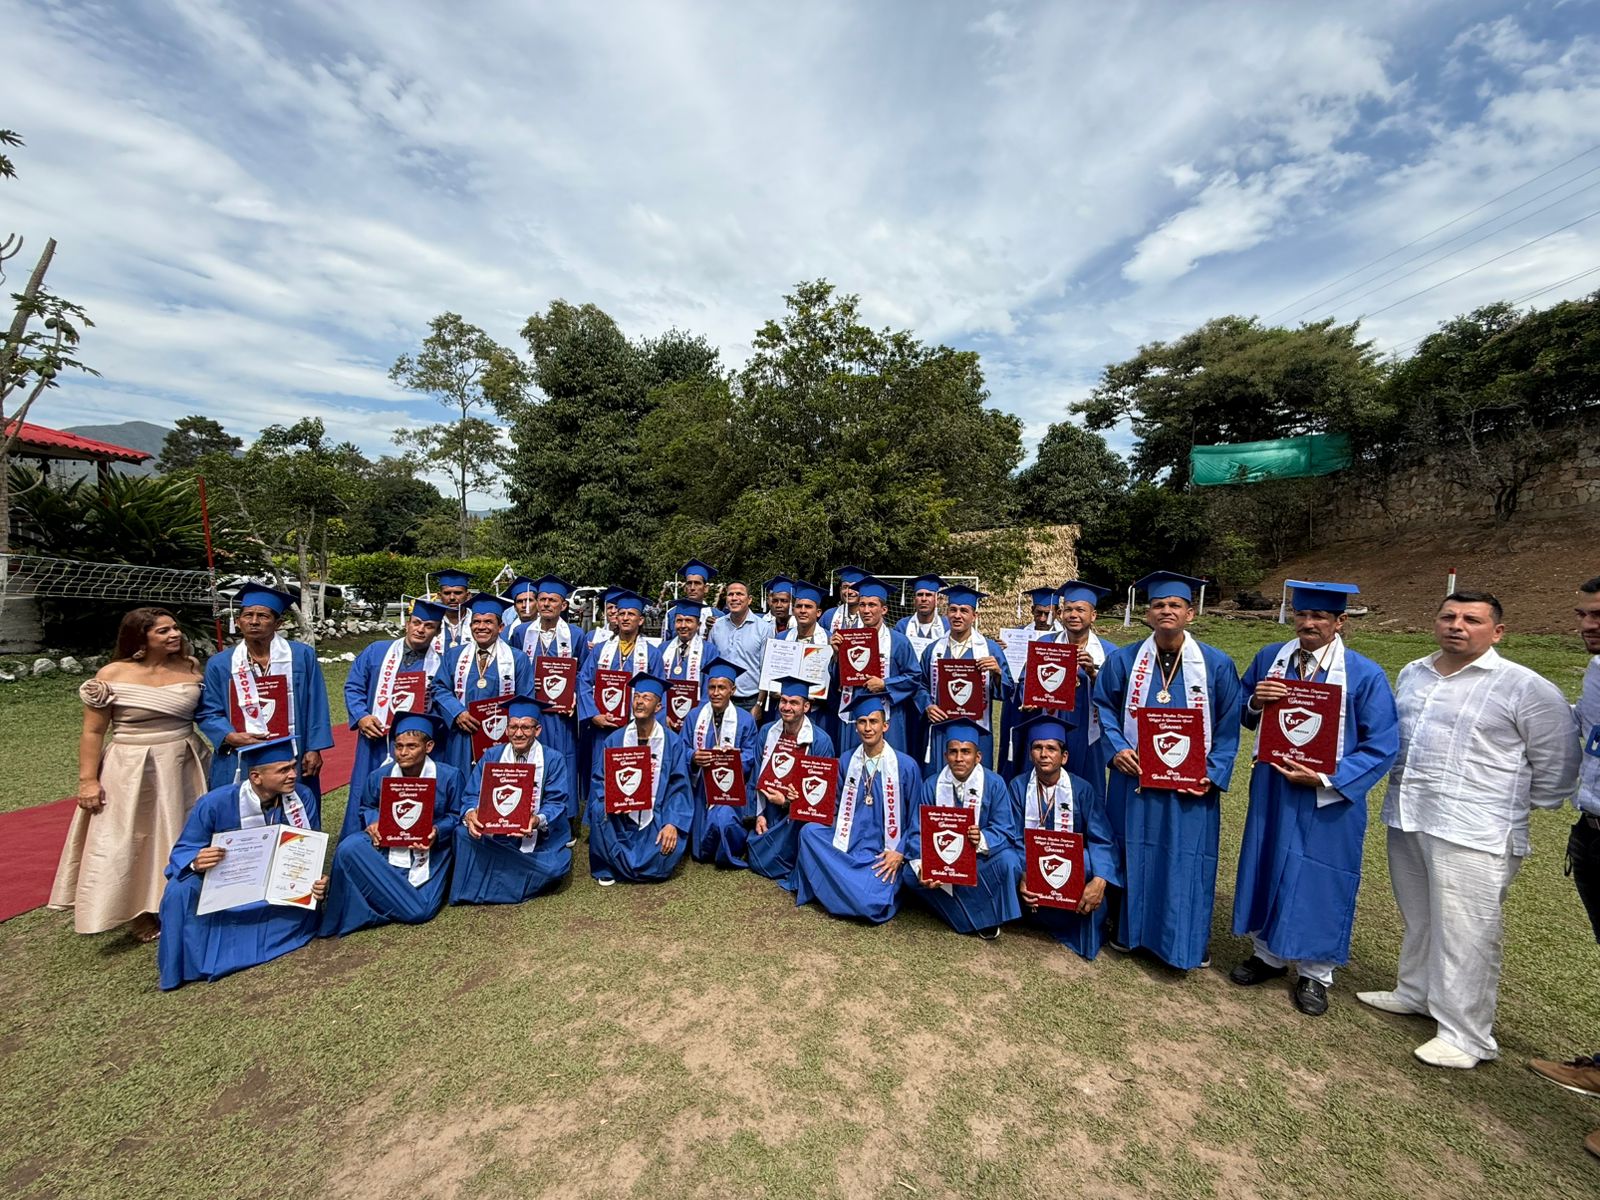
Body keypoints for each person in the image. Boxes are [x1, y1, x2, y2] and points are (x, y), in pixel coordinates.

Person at [1359, 591, 1580, 1068]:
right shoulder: (1414, 673)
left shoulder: (1524, 686)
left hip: (1476, 828)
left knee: (1467, 931)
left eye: (1472, 620)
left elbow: (1559, 761)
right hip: (1411, 813)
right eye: (1449, 616)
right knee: (1420, 916)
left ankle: (1466, 1035)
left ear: (1497, 632)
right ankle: (1415, 991)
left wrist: (1519, 802)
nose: (1457, 625)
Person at [1230, 581, 1400, 1016]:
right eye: (1302, 614)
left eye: (1320, 616)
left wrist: (1327, 777)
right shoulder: (1271, 658)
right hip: (1274, 785)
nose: (1308, 623)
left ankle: (1315, 972)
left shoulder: (1363, 674)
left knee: (1322, 877)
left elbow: (1382, 744)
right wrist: (1255, 700)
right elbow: (1241, 709)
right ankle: (1267, 955)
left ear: (1339, 622)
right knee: (1267, 862)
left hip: (1328, 796)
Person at [1093, 571, 1242, 971]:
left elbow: (1228, 724)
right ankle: (1131, 932)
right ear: (1148, 614)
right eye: (1158, 605)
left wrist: (1213, 772)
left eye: (1175, 605)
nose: (1166, 611)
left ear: (1190, 613)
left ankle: (1184, 942)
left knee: (1185, 859)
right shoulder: (1123, 661)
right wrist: (1117, 749)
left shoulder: (1216, 664)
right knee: (1134, 852)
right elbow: (1103, 707)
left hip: (1190, 788)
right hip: (1136, 779)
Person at [49, 607, 211, 942]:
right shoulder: (113, 674)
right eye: (163, 631)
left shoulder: (190, 666)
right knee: (131, 835)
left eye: (175, 628)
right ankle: (138, 910)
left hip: (184, 758)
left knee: (186, 827)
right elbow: (93, 731)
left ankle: (188, 898)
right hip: (131, 765)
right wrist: (88, 781)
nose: (174, 634)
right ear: (141, 638)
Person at [157, 737, 325, 990]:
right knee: (179, 890)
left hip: (278, 886)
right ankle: (183, 963)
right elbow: (184, 849)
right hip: (227, 884)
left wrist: (316, 877)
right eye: (283, 770)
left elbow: (309, 848)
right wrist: (196, 861)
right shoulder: (214, 803)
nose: (293, 774)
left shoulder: (302, 797)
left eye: (292, 766)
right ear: (256, 777)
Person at [1529, 575, 1600, 1157]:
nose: (1587, 625)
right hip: (1593, 830)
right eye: (1583, 614)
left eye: (1598, 615)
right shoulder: (1597, 672)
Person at [319, 713, 467, 936]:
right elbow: (367, 806)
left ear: (428, 747)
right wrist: (373, 821)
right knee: (349, 848)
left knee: (421, 910)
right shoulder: (379, 775)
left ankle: (374, 905)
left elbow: (457, 814)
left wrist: (437, 831)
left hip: (429, 849)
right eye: (398, 746)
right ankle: (387, 898)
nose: (403, 753)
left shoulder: (449, 776)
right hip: (387, 845)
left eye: (411, 746)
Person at [196, 582, 334, 799]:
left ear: (278, 623)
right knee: (239, 806)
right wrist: (229, 736)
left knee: (293, 804)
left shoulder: (301, 656)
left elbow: (316, 704)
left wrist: (314, 748)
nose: (254, 621)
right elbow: (209, 710)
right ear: (238, 621)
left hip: (292, 750)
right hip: (240, 753)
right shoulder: (220, 663)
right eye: (247, 615)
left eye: (262, 616)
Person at [792, 694, 918, 924]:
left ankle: (839, 887)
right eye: (862, 722)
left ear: (885, 726)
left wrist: (900, 852)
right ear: (855, 726)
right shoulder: (846, 760)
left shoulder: (906, 766)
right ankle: (849, 885)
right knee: (809, 832)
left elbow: (915, 820)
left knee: (869, 903)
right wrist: (801, 800)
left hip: (882, 853)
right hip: (849, 843)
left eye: (873, 721)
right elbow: (833, 808)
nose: (868, 728)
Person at [1009, 713, 1119, 960]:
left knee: (1088, 861)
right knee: (1007, 861)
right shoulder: (1018, 787)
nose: (1044, 754)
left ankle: (1073, 921)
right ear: (1030, 754)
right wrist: (1024, 874)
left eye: (1051, 748)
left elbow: (1102, 838)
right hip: (1031, 872)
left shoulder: (1082, 790)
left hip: (1067, 872)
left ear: (1064, 756)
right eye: (1037, 747)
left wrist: (1100, 880)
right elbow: (1013, 837)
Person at [900, 718, 1021, 940]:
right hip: (942, 863)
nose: (959, 758)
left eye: (966, 752)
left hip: (978, 860)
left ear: (978, 756)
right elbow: (917, 832)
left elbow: (1005, 830)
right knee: (909, 874)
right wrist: (924, 868)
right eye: (953, 752)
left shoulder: (995, 784)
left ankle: (955, 910)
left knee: (1009, 861)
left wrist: (981, 838)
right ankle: (984, 915)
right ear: (945, 755)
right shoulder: (932, 784)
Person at [339, 599, 447, 841]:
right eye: (416, 623)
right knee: (364, 789)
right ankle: (358, 842)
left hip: (414, 744)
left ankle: (404, 838)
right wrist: (362, 716)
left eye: (429, 626)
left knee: (408, 795)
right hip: (375, 739)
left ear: (437, 631)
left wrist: (427, 716)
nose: (421, 629)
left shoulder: (441, 664)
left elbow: (443, 704)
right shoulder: (376, 651)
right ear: (407, 624)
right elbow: (354, 686)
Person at [450, 696, 573, 905]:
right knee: (461, 834)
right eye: (513, 727)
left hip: (537, 836)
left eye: (526, 727)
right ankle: (519, 876)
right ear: (506, 729)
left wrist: (536, 820)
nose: (518, 733)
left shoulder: (553, 759)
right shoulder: (492, 756)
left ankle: (491, 876)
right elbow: (471, 794)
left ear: (537, 730)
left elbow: (556, 802)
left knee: (555, 867)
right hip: (496, 834)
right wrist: (471, 813)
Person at [586, 673, 692, 885]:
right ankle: (609, 865)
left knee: (661, 857)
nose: (639, 702)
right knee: (599, 809)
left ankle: (624, 864)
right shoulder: (615, 739)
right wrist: (612, 800)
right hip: (620, 818)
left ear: (658, 707)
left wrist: (672, 823)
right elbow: (600, 780)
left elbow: (679, 788)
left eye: (646, 697)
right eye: (636, 697)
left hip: (657, 814)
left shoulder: (672, 742)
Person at [432, 592, 536, 776]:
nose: (481, 627)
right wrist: (457, 712)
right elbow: (439, 688)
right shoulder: (454, 656)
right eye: (476, 622)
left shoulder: (517, 659)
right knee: (461, 780)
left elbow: (525, 699)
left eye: (488, 622)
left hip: (500, 736)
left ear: (501, 627)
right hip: (462, 735)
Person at [746, 674, 837, 886]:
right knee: (756, 855)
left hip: (797, 816)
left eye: (794, 702)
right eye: (783, 701)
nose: (787, 707)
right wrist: (758, 815)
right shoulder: (767, 732)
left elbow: (822, 797)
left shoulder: (821, 741)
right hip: (768, 809)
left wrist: (787, 802)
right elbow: (756, 774)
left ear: (806, 707)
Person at [515, 575, 587, 837]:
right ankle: (525, 813)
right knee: (531, 760)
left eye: (552, 600)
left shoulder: (576, 635)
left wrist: (575, 697)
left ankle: (564, 820)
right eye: (542, 599)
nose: (546, 604)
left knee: (564, 761)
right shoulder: (521, 633)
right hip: (531, 711)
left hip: (561, 715)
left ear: (563, 605)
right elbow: (515, 667)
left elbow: (583, 673)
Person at [831, 574, 926, 760]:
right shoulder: (848, 639)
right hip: (854, 712)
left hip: (889, 715)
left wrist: (885, 684)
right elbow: (836, 681)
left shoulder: (899, 642)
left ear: (884, 609)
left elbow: (914, 677)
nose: (866, 610)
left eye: (872, 605)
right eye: (862, 605)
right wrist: (836, 656)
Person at [577, 589, 664, 788]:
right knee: (602, 775)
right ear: (616, 618)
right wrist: (594, 715)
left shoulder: (652, 654)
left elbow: (660, 692)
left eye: (631, 614)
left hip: (637, 726)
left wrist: (649, 724)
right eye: (621, 613)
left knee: (631, 775)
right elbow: (584, 681)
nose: (625, 618)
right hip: (603, 726)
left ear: (640, 620)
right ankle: (599, 810)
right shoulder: (600, 650)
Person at [919, 584, 1013, 769]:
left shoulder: (990, 649)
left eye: (964, 611)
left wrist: (997, 674)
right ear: (947, 613)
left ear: (974, 616)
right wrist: (928, 705)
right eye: (953, 610)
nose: (957, 615)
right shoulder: (933, 650)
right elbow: (920, 685)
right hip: (942, 728)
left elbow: (1007, 691)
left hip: (976, 729)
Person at [685, 656, 759, 867]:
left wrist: (733, 758)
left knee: (724, 819)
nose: (715, 693)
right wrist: (693, 756)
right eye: (712, 687)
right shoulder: (694, 716)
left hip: (730, 788)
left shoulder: (745, 720)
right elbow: (681, 748)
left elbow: (752, 754)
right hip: (700, 787)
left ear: (732, 690)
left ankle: (729, 847)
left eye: (722, 688)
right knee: (699, 851)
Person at [998, 586, 1071, 779]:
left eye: (1048, 614)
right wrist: (999, 652)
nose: (1042, 618)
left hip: (1052, 702)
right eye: (1038, 613)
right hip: (1018, 699)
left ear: (1058, 612)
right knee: (1016, 745)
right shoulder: (1017, 635)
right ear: (1031, 611)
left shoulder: (1064, 638)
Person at [772, 578, 838, 746]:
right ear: (793, 609)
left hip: (819, 713)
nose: (802, 611)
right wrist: (775, 689)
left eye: (808, 607)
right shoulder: (781, 639)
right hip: (787, 712)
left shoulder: (830, 640)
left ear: (818, 612)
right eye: (799, 606)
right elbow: (772, 675)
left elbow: (837, 680)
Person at [708, 581, 771, 712]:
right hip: (721, 698)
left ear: (749, 599)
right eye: (730, 594)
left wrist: (759, 704)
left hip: (750, 701)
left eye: (739, 594)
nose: (734, 598)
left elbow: (766, 670)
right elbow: (711, 662)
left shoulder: (764, 628)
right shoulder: (717, 626)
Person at [660, 598, 711, 724]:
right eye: (679, 621)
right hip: (666, 717)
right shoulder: (662, 649)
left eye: (688, 621)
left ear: (698, 625)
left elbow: (708, 689)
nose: (683, 625)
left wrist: (695, 716)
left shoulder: (710, 651)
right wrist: (664, 714)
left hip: (697, 718)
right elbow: (658, 684)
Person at [896, 574, 950, 645]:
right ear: (914, 600)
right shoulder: (902, 626)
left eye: (928, 595)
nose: (924, 599)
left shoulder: (947, 626)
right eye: (920, 595)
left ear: (936, 600)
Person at [430, 568, 474, 654]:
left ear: (468, 595)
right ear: (439, 596)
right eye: (447, 593)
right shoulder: (431, 621)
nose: (452, 597)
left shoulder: (477, 621)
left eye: (458, 593)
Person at [680, 559, 724, 633]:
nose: (692, 588)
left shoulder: (718, 616)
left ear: (706, 588)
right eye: (689, 583)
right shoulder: (671, 615)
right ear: (685, 588)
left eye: (697, 583)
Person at [822, 566, 867, 636]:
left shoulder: (870, 616)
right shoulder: (829, 615)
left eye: (854, 587)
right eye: (845, 587)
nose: (849, 591)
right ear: (840, 590)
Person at [501, 576, 540, 646]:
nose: (524, 605)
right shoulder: (504, 635)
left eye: (529, 600)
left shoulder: (550, 630)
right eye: (519, 601)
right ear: (515, 607)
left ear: (538, 603)